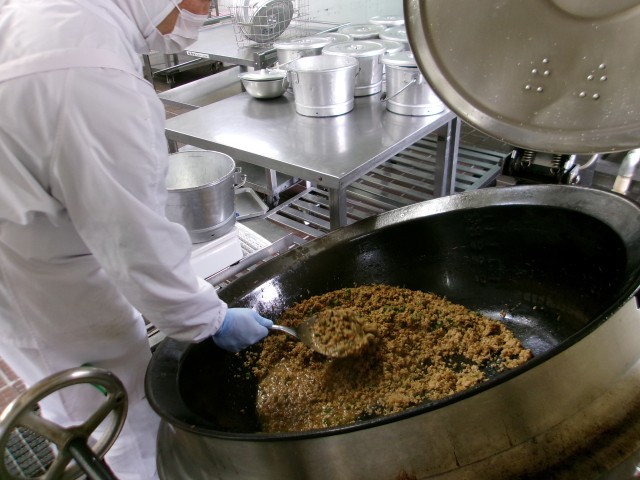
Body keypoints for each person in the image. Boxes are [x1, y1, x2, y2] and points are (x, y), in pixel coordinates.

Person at [0, 1, 272, 478]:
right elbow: (133, 241)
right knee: (118, 402)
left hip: (29, 224)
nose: (201, 12)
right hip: (31, 267)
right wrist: (207, 317)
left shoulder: (70, 17)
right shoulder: (93, 78)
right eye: (200, 2)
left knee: (71, 387)